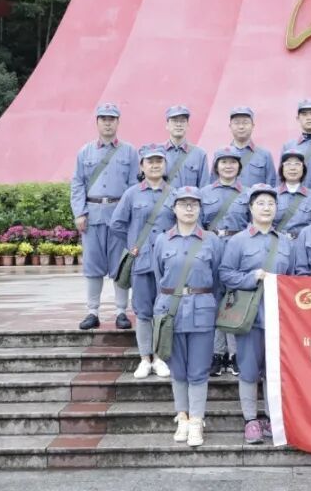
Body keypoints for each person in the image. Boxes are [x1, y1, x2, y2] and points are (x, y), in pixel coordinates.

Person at [219, 184, 295, 444]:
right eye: (260, 203)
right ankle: (250, 420)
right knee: (249, 370)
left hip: (278, 317)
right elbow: (226, 274)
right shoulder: (238, 241)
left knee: (274, 370)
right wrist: (252, 277)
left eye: (271, 204)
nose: (266, 208)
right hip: (249, 317)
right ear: (250, 208)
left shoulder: (285, 242)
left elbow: (293, 277)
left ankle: (273, 418)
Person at [152, 186, 223, 447]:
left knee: (199, 370)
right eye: (183, 204)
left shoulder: (212, 240)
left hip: (202, 311)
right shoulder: (162, 240)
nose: (189, 208)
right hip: (170, 311)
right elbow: (159, 277)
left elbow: (217, 279)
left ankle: (196, 421)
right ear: (174, 208)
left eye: (194, 204)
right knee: (178, 369)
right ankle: (182, 417)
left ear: (200, 208)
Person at [110, 145, 177, 379]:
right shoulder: (132, 194)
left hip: (168, 263)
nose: (155, 165)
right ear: (142, 166)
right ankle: (144, 358)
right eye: (150, 161)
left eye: (159, 161)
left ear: (165, 165)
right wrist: (132, 245)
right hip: (142, 262)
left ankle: (159, 357)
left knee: (164, 310)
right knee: (143, 311)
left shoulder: (175, 194)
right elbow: (117, 224)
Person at [70, 102, 136, 331]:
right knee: (92, 265)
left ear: (118, 122)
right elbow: (77, 184)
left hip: (118, 215)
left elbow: (133, 185)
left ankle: (121, 312)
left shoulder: (129, 151)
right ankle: (92, 311)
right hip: (93, 215)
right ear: (97, 122)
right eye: (103, 119)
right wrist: (79, 212)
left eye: (112, 119)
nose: (108, 123)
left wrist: (128, 215)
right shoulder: (85, 152)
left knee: (120, 265)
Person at [201, 147, 247, 378]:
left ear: (239, 167)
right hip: (212, 247)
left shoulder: (248, 194)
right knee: (216, 300)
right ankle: (217, 353)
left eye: (233, 162)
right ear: (216, 167)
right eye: (224, 162)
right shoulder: (204, 193)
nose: (228, 166)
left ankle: (235, 354)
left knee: (235, 301)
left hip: (238, 248)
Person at [214, 106, 277, 186]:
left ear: (253, 126)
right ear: (230, 126)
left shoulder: (265, 155)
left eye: (245, 123)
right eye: (236, 123)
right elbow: (214, 186)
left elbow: (271, 186)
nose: (241, 127)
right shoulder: (221, 155)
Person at [272, 150, 311, 239]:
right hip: (278, 243)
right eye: (288, 164)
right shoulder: (271, 194)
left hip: (305, 243)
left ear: (303, 169)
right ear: (282, 168)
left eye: (297, 164)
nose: (292, 168)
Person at [162, 105, 208, 188]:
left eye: (182, 121)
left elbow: (204, 188)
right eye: (174, 121)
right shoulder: (158, 153)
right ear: (167, 125)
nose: (178, 124)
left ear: (188, 125)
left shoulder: (200, 154)